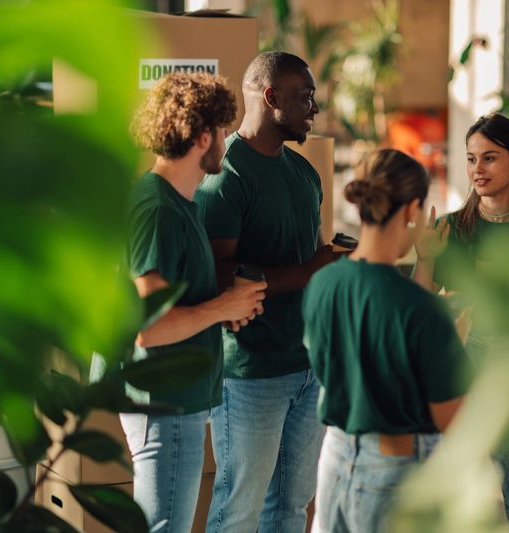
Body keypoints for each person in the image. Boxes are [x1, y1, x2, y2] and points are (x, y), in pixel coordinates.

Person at [194, 51, 341, 533]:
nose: (314, 108)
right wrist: (306, 271)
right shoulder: (225, 175)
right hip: (250, 374)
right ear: (271, 97)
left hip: (308, 367)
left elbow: (309, 257)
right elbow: (215, 274)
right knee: (239, 509)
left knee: (292, 507)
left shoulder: (304, 175)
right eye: (305, 97)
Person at [121, 73, 266, 533]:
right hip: (165, 405)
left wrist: (227, 305)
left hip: (179, 402)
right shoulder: (158, 209)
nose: (225, 140)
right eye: (222, 131)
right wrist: (222, 309)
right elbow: (150, 325)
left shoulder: (177, 202)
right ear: (203, 136)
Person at [413, 113, 509, 533]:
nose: (477, 170)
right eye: (470, 159)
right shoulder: (449, 229)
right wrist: (426, 258)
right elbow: (417, 308)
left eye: (489, 158)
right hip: (451, 387)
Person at [302, 149, 469, 532]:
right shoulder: (424, 313)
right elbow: (451, 420)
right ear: (412, 209)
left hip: (335, 458)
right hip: (394, 473)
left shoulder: (323, 284)